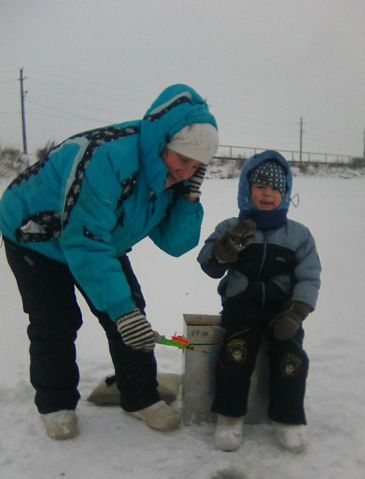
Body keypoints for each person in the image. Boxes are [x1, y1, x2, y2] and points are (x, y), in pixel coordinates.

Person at [0, 83, 218, 440]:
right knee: (56, 320)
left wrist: (188, 197)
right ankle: (56, 403)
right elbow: (83, 242)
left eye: (198, 166)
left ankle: (140, 397)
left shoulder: (172, 177)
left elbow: (175, 243)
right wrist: (121, 310)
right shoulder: (108, 156)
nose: (185, 171)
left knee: (130, 314)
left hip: (99, 238)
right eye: (183, 160)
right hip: (35, 236)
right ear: (163, 142)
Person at [197, 150, 321, 452]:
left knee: (291, 359)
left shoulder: (299, 235)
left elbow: (309, 276)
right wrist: (226, 249)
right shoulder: (231, 226)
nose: (268, 194)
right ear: (246, 190)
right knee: (235, 355)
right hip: (242, 309)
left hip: (283, 313)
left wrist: (297, 312)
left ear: (286, 193)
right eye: (261, 187)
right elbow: (208, 265)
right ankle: (229, 417)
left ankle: (288, 419)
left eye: (275, 188)